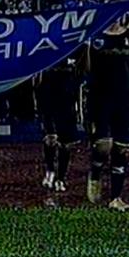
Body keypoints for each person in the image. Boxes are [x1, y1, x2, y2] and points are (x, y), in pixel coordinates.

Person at [84, 0, 129, 211]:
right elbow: (85, 68)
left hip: (125, 99)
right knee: (103, 146)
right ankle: (95, 170)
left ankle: (116, 198)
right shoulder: (94, 36)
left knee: (121, 148)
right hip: (99, 99)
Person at [34, 51, 84, 192]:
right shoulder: (47, 52)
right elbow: (37, 80)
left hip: (67, 100)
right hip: (48, 96)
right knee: (51, 138)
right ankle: (50, 171)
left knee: (66, 144)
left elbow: (81, 72)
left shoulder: (75, 51)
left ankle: (61, 178)